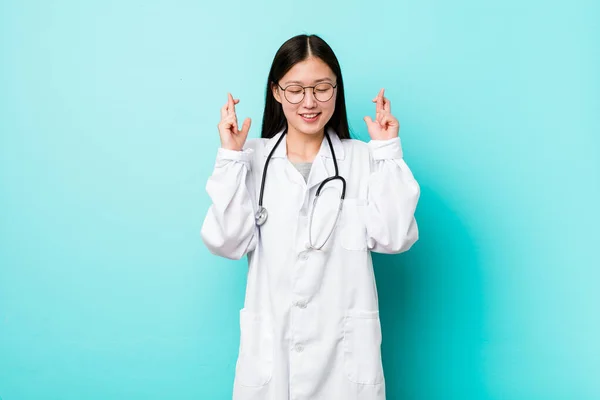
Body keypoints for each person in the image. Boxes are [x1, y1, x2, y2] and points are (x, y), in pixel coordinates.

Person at [201, 34, 420, 400]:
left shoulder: (363, 158)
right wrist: (229, 159)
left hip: (344, 362)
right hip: (273, 363)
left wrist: (386, 151)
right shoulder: (251, 158)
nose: (309, 102)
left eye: (321, 88)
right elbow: (226, 242)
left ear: (337, 89)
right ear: (276, 91)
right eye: (296, 89)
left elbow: (394, 237)